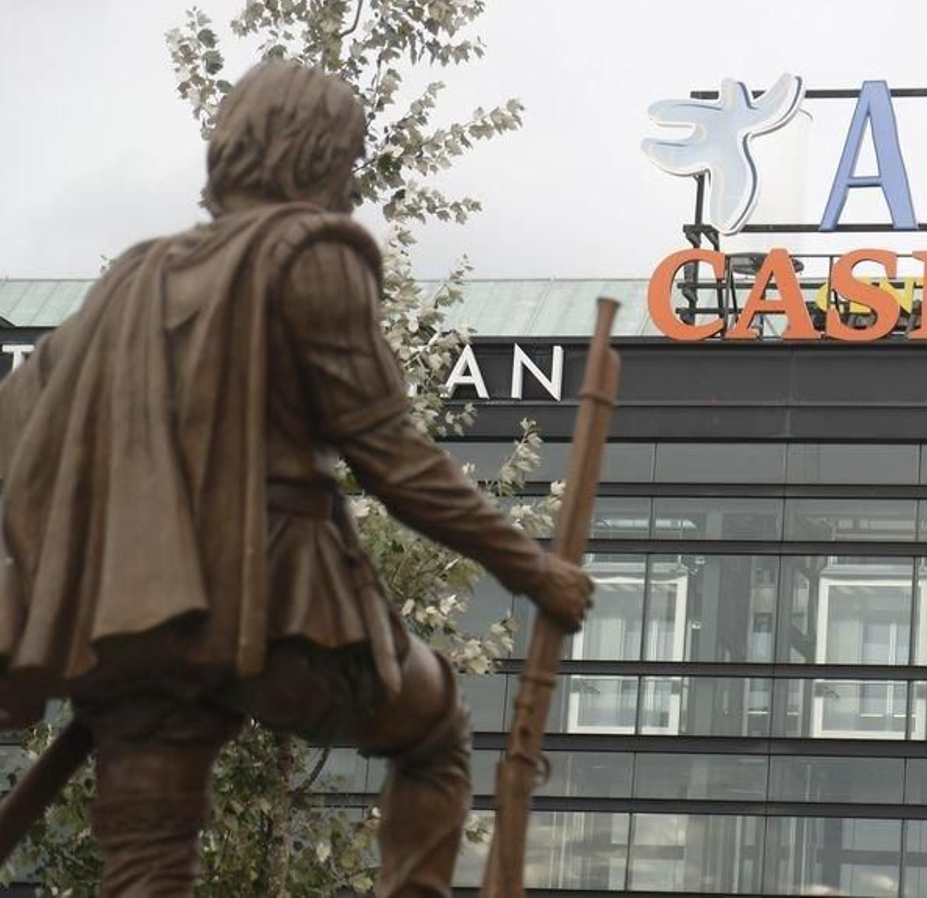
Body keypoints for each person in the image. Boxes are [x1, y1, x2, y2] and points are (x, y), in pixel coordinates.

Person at [0, 60, 594, 896]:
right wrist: (533, 569)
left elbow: (16, 430)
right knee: (432, 730)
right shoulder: (312, 254)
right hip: (276, 601)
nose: (353, 182)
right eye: (349, 158)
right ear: (318, 155)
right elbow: (392, 455)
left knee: (146, 860)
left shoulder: (130, 278)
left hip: (132, 617)